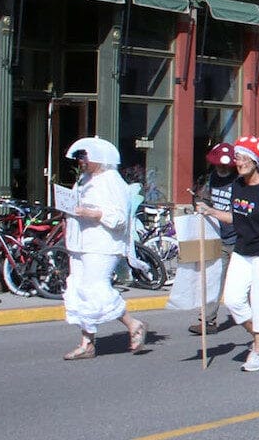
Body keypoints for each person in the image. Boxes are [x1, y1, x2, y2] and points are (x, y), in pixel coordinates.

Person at [195, 136, 259, 372]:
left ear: (255, 162)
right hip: (242, 251)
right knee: (233, 300)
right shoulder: (237, 186)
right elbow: (236, 218)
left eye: (243, 158)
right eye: (238, 158)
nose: (238, 162)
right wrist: (210, 211)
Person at [59, 137, 150, 359]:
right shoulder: (84, 180)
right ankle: (87, 342)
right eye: (80, 158)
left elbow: (120, 218)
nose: (81, 161)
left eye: (85, 157)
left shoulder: (112, 181)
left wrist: (91, 213)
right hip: (80, 241)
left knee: (96, 288)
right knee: (80, 288)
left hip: (102, 244)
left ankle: (133, 323)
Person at [191, 143, 240, 336]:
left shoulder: (238, 182)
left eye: (225, 166)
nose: (222, 168)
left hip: (238, 237)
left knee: (240, 281)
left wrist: (212, 210)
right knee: (214, 279)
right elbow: (205, 198)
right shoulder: (212, 179)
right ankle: (207, 320)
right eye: (219, 165)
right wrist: (201, 204)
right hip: (218, 236)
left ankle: (255, 315)